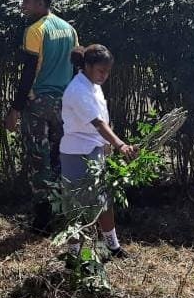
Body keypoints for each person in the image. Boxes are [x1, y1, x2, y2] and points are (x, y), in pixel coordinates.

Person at [3, 0, 79, 234]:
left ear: (41, 3)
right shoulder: (69, 29)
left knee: (39, 159)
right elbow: (76, 66)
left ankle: (42, 220)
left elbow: (28, 73)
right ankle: (63, 211)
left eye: (27, 0)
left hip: (38, 103)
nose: (23, 5)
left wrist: (15, 108)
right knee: (60, 155)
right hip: (64, 102)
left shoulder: (35, 30)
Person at [59, 44, 138, 258]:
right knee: (75, 205)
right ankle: (73, 255)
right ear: (87, 66)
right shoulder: (77, 90)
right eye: (101, 71)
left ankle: (113, 247)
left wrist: (107, 146)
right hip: (76, 153)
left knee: (103, 200)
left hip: (94, 150)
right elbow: (98, 124)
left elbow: (103, 121)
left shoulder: (93, 85)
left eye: (107, 71)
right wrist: (120, 145)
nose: (104, 75)